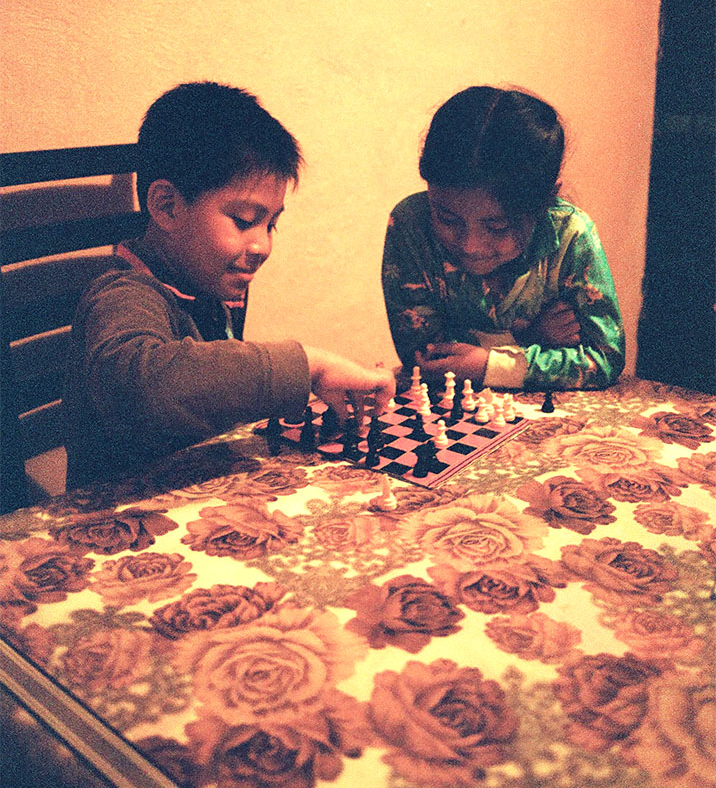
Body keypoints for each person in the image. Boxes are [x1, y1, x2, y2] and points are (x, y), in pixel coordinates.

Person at [63, 82, 394, 488]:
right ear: (167, 206)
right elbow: (142, 389)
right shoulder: (121, 294)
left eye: (271, 224)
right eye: (244, 221)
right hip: (113, 510)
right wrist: (308, 365)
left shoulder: (209, 284)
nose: (263, 246)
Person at [381, 86, 625, 392]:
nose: (470, 246)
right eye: (447, 219)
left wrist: (487, 363)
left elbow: (604, 358)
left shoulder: (571, 234)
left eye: (498, 227)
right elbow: (424, 358)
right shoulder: (411, 224)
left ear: (547, 200)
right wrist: (527, 338)